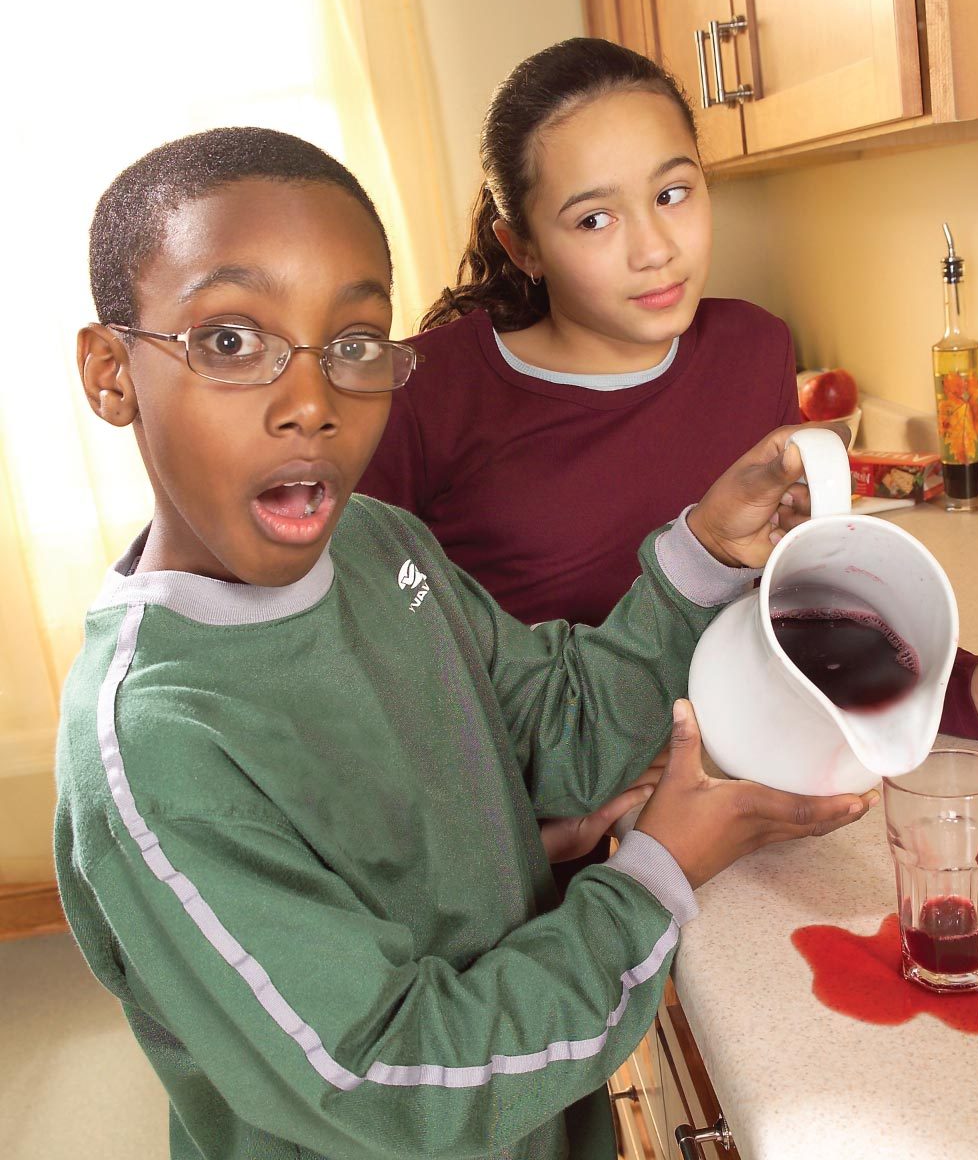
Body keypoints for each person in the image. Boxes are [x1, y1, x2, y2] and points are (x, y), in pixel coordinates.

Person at [55, 126, 878, 1160]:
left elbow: (560, 728)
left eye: (353, 343)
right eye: (230, 340)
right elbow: (390, 1078)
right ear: (110, 372)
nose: (310, 404)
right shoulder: (155, 746)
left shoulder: (377, 544)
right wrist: (657, 876)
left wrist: (708, 549)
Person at [357, 38, 978, 863]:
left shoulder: (750, 347)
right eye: (595, 218)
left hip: (731, 814)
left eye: (673, 192)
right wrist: (525, 824)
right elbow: (380, 656)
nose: (654, 247)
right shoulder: (423, 392)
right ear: (521, 245)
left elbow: (786, 613)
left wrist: (968, 687)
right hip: (558, 859)